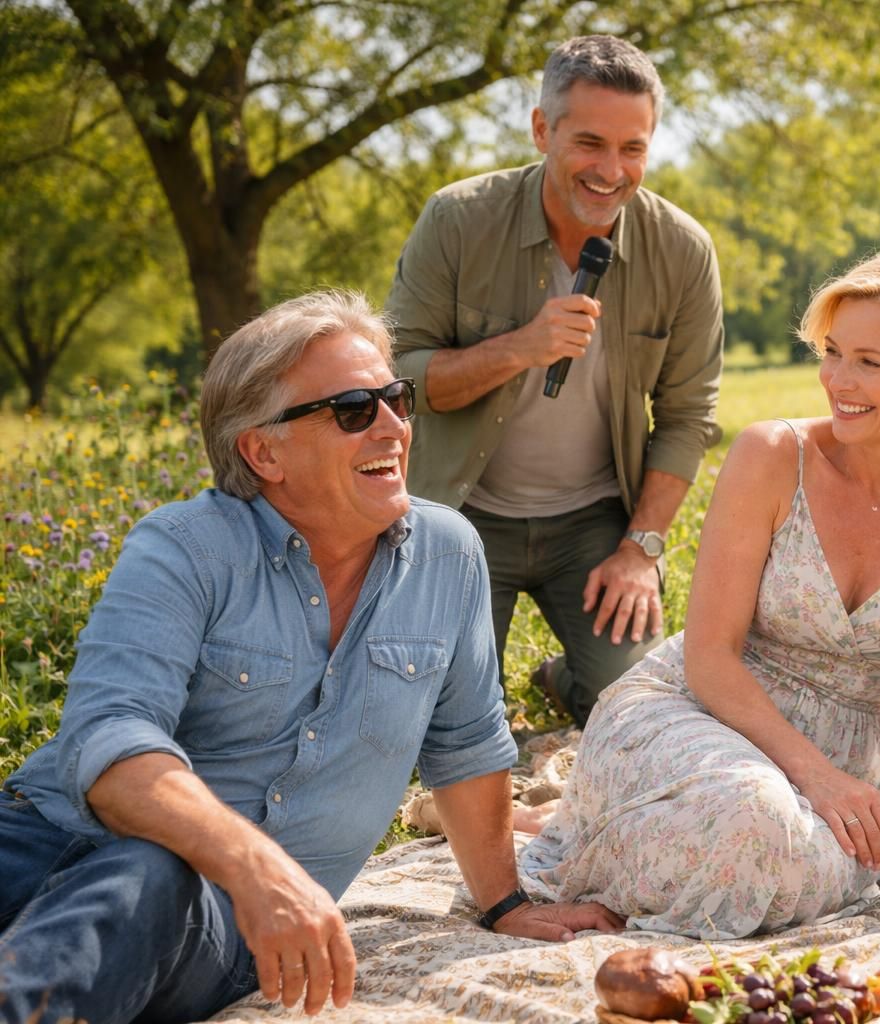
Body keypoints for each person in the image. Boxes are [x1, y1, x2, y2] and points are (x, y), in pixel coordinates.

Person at [0, 292, 622, 1024]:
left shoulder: (449, 555)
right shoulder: (184, 549)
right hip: (38, 838)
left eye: (395, 398)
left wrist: (506, 903)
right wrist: (257, 862)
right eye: (354, 409)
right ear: (264, 452)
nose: (394, 426)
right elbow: (108, 745)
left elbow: (466, 746)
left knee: (157, 870)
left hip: (199, 918)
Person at [517, 243, 880, 938]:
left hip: (842, 754)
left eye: (868, 363)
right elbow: (711, 656)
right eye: (833, 352)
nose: (836, 379)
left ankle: (594, 815)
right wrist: (816, 778)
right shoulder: (772, 457)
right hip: (699, 709)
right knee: (754, 816)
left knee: (777, 841)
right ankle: (589, 816)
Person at [386, 35, 724, 726]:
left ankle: (566, 678)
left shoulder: (683, 250)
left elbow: (689, 419)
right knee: (439, 719)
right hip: (461, 514)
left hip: (596, 524)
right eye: (590, 143)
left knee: (641, 712)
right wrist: (519, 348)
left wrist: (640, 549)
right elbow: (401, 382)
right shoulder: (456, 219)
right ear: (542, 129)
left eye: (633, 149)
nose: (611, 170)